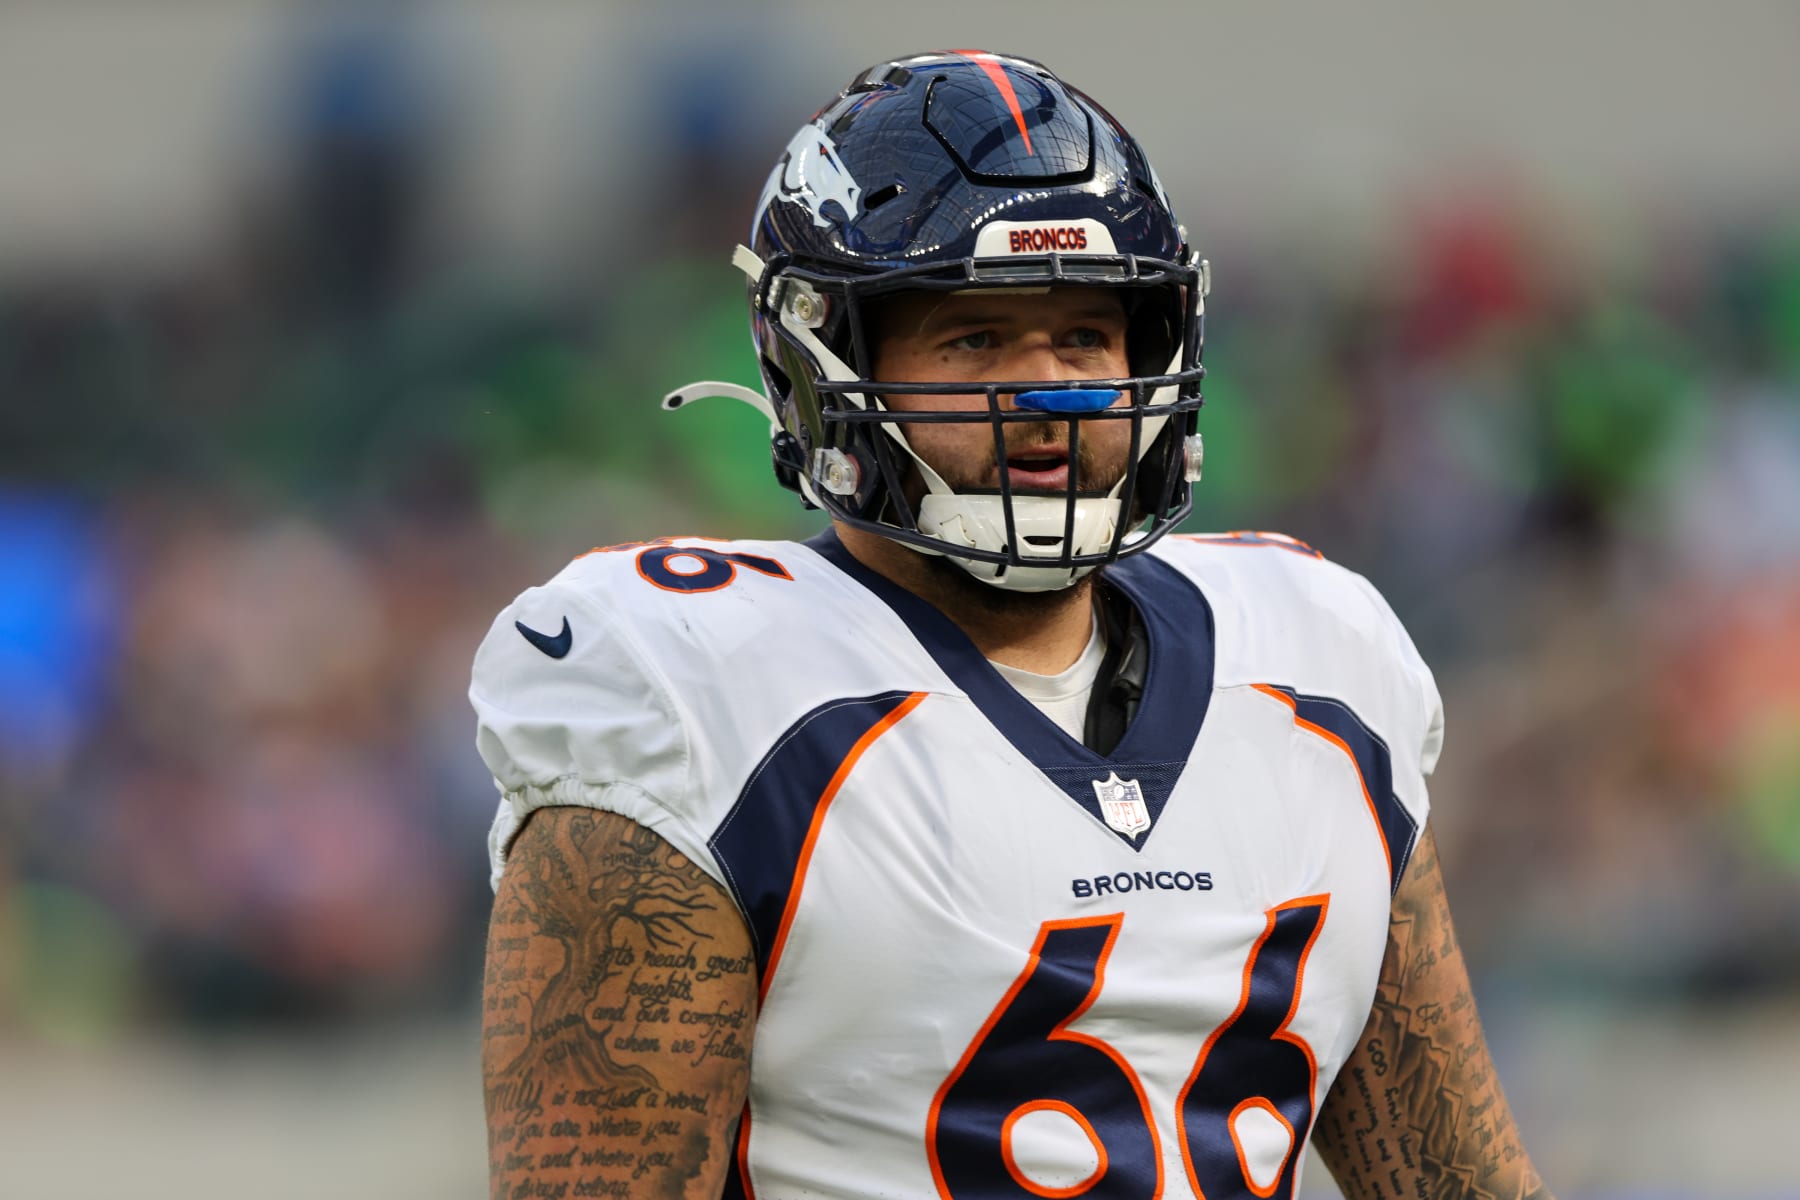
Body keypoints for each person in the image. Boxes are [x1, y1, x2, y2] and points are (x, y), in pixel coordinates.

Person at [473, 50, 1553, 1200]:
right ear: (822, 365)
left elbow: (1462, 1183)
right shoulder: (697, 694)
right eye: (974, 338)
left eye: (1086, 336)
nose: (1049, 388)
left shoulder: (1321, 663)